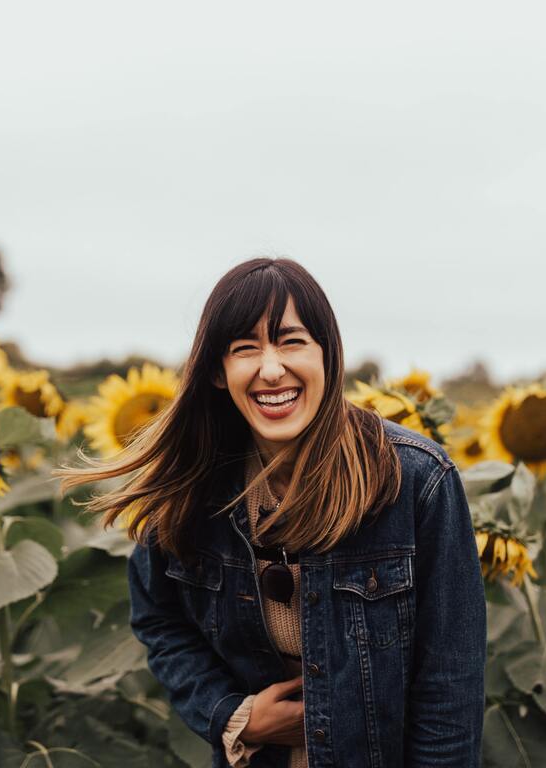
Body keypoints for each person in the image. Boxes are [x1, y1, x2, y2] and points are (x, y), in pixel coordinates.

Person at [55, 257, 486, 767]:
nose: (271, 368)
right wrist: (231, 715)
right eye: (245, 349)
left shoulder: (414, 479)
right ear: (218, 372)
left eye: (291, 341)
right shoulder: (192, 486)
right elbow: (159, 619)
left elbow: (450, 683)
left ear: (328, 353)